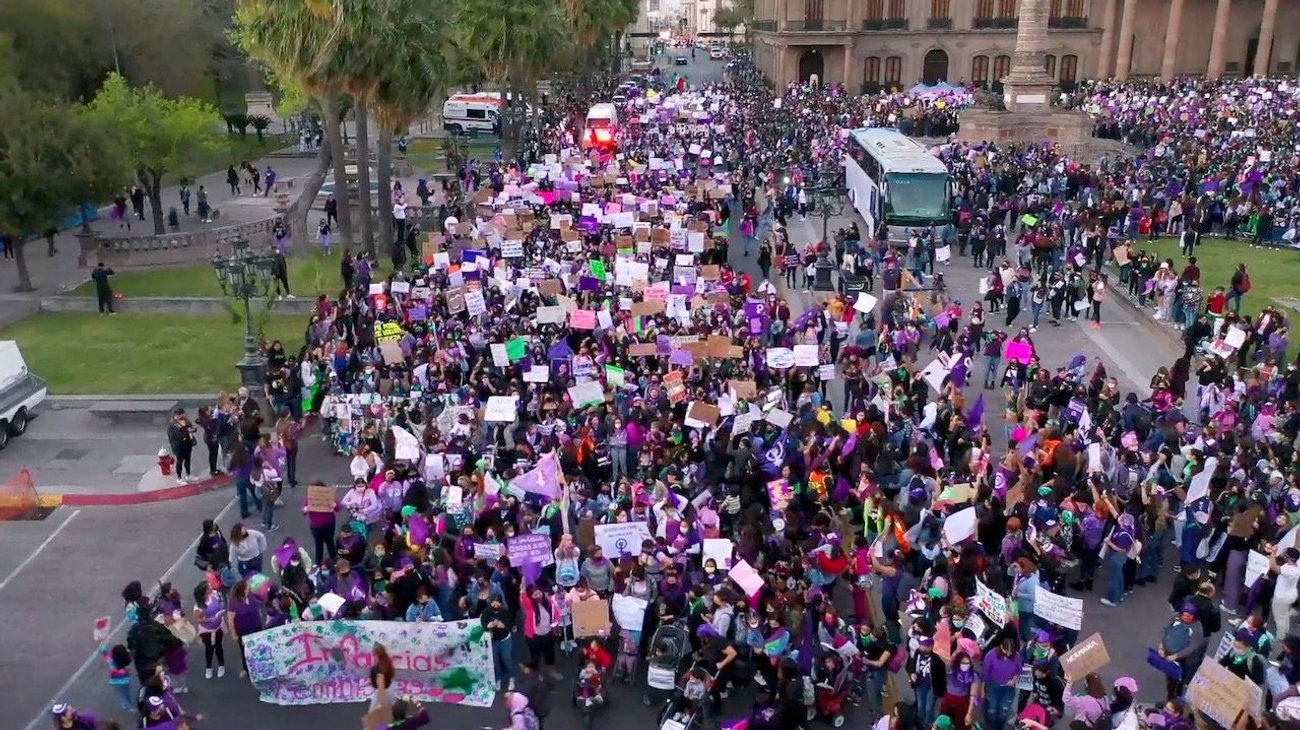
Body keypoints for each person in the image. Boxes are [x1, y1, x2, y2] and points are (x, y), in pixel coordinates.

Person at [166, 408, 197, 485]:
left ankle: (188, 474)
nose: (182, 416)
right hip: (178, 446)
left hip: (187, 443)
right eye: (180, 415)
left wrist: (192, 430)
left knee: (188, 459)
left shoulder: (185, 420)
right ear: (175, 415)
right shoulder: (172, 425)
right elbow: (175, 436)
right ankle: (179, 477)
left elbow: (191, 427)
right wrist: (187, 432)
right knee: (179, 461)